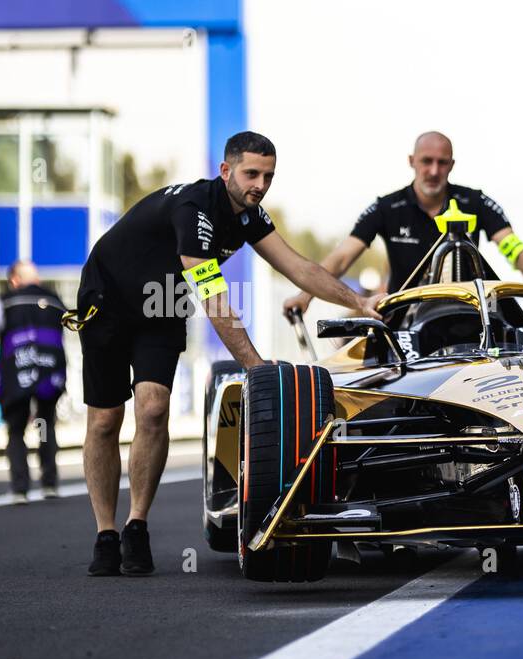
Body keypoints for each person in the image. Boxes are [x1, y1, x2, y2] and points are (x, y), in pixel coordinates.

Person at [78, 130, 382, 577]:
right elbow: (213, 296)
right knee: (105, 420)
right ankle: (105, 532)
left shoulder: (250, 216)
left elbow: (300, 267)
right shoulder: (195, 209)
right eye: (251, 173)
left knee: (154, 408)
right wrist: (254, 365)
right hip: (106, 300)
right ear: (226, 171)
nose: (259, 184)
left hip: (161, 304)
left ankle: (135, 525)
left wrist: (360, 302)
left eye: (268, 176)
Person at [284, 131, 523, 316]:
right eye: (426, 161)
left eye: (442, 163)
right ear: (411, 161)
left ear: (452, 165)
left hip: (472, 321)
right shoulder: (386, 207)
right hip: (406, 324)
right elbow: (342, 257)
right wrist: (304, 296)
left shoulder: (476, 202)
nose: (434, 171)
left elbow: (514, 249)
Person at [0, 261, 66, 504]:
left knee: (15, 429)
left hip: (17, 372)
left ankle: (20, 488)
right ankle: (49, 483)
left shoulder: (5, 302)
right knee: (45, 424)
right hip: (49, 370)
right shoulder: (55, 300)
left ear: (14, 280)